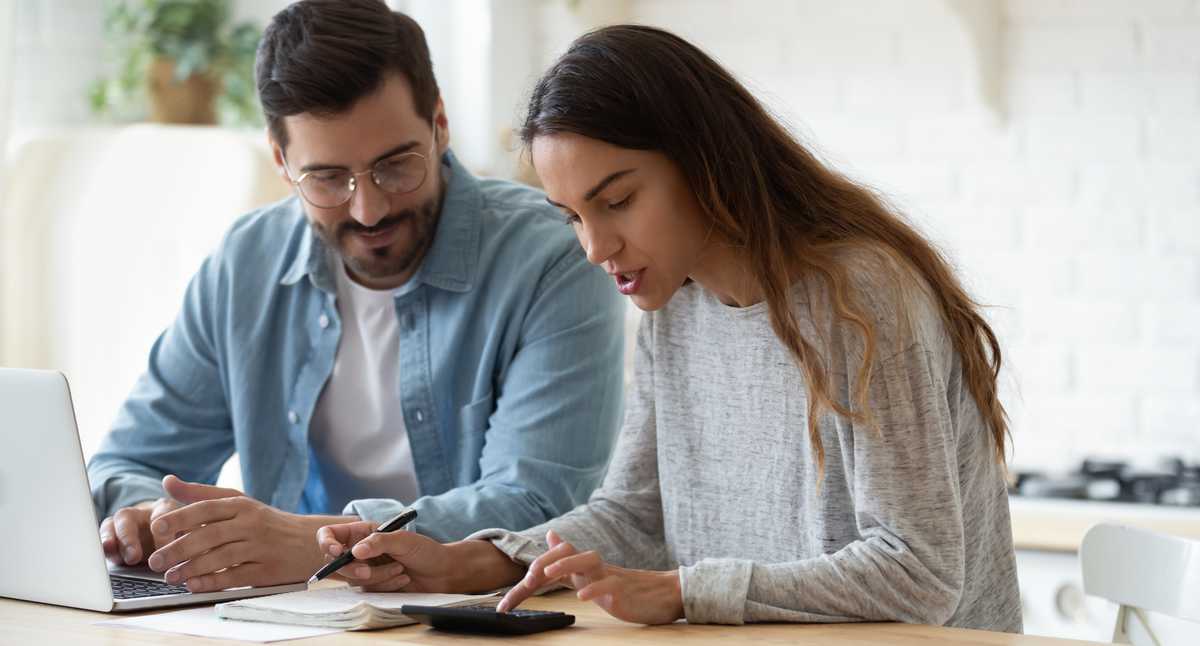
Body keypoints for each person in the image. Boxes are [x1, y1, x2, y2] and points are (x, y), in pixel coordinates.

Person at [314, 24, 1022, 632]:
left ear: (703, 162)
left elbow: (920, 573)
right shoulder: (673, 307)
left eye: (616, 200)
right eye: (572, 216)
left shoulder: (859, 296)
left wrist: (685, 592)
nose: (595, 248)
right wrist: (476, 560)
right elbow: (638, 515)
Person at [86, 0, 625, 594]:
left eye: (396, 166)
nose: (369, 209)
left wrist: (311, 541)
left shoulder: (551, 258)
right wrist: (152, 519)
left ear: (440, 123)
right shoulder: (247, 263)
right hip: (286, 616)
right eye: (326, 179)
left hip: (465, 615)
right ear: (281, 160)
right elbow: (125, 464)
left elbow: (539, 503)